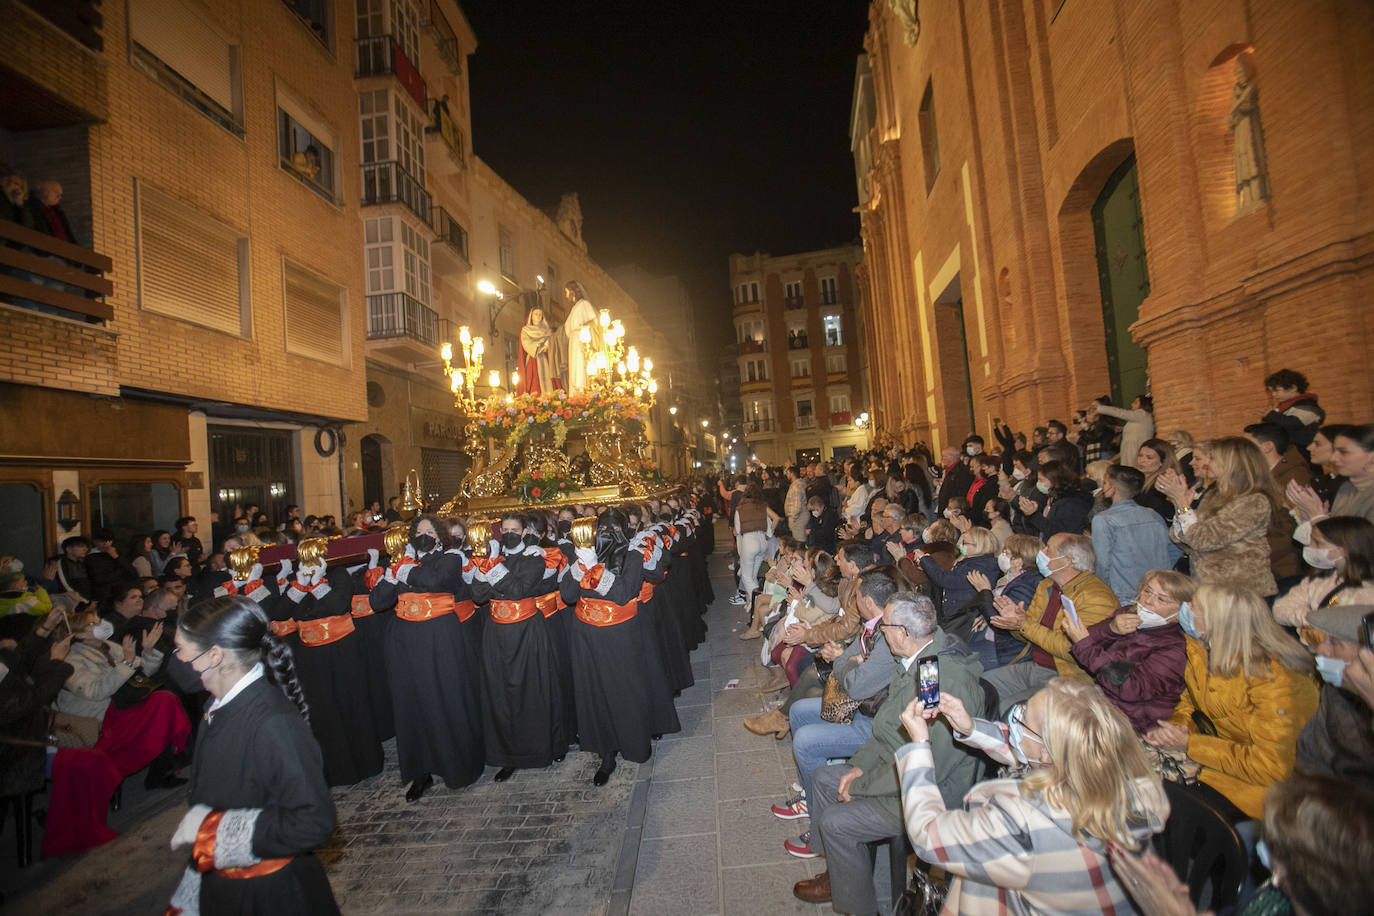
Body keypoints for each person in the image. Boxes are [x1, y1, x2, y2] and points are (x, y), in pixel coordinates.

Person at [894, 679, 1167, 915]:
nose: (1016, 714)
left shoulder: (1022, 822)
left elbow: (928, 835)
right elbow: (1026, 751)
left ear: (1048, 753)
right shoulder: (1120, 782)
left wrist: (919, 745)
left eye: (1024, 716)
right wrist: (970, 728)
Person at [791, 592, 986, 913]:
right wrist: (859, 766)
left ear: (903, 634)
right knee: (824, 779)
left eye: (886, 626)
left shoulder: (939, 682)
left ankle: (859, 907)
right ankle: (838, 873)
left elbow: (930, 764)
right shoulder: (917, 658)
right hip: (898, 763)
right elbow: (886, 730)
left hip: (929, 791)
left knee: (836, 822)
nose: (880, 631)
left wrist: (860, 785)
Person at [166, 596, 339, 915]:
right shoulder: (215, 706)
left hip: (272, 896)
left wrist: (216, 831)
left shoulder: (273, 723)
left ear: (214, 655)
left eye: (181, 651)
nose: (177, 661)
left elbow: (314, 821)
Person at [1144, 584, 1318, 820]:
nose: (1185, 607)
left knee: (1157, 801)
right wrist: (1177, 728)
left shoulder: (1277, 680)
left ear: (1217, 622)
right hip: (1216, 761)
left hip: (1265, 789)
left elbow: (1271, 768)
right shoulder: (1202, 649)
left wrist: (1191, 744)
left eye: (1194, 606)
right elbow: (1189, 703)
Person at [368, 515, 484, 801]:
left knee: (444, 698)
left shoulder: (450, 558)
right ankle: (420, 771)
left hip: (439, 638)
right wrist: (394, 573)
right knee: (411, 703)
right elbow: (378, 600)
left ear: (440, 535)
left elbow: (437, 581)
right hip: (404, 642)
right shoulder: (402, 562)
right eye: (419, 531)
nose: (424, 535)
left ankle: (456, 766)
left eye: (430, 531)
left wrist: (403, 570)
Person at [560, 512, 680, 785]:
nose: (608, 533)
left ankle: (635, 742)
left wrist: (596, 570)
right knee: (595, 693)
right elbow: (568, 594)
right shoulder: (585, 554)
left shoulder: (633, 554)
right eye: (603, 528)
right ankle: (606, 752)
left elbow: (624, 593)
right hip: (586, 635)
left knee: (625, 690)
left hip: (620, 634)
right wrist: (582, 564)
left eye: (615, 528)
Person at [469, 512, 570, 783]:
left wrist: (493, 570)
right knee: (501, 695)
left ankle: (545, 747)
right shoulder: (497, 556)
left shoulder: (533, 558)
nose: (509, 534)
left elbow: (519, 589)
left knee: (533, 690)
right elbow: (477, 595)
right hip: (496, 634)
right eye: (505, 530)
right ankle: (509, 755)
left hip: (526, 632)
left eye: (514, 529)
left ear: (525, 532)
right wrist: (489, 563)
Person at [55, 603, 191, 788]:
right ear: (79, 634)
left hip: (122, 704)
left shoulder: (109, 647)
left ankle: (163, 768)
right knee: (163, 703)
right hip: (102, 715)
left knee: (165, 701)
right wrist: (126, 663)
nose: (100, 624)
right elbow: (96, 692)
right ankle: (163, 768)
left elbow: (145, 671)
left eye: (98, 620)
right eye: (92, 624)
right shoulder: (72, 659)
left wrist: (148, 651)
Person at [984, 533, 1119, 711]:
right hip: (1037, 665)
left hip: (1068, 677)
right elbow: (1028, 632)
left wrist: (1024, 625)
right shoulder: (1047, 586)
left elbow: (1073, 649)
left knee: (1007, 709)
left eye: (1049, 549)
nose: (1042, 552)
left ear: (1067, 560)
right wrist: (1015, 622)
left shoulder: (1096, 597)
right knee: (980, 688)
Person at [1063, 569, 1193, 734]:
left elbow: (1130, 688)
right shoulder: (1128, 613)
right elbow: (1081, 643)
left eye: (1161, 599)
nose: (1148, 601)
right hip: (1102, 702)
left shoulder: (1176, 648)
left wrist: (1086, 646)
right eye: (1147, 591)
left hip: (1135, 723)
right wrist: (1110, 629)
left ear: (1180, 612)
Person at [1160, 436, 1283, 596]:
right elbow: (1184, 539)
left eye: (1213, 458)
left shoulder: (1253, 501)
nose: (1208, 463)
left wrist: (1182, 503)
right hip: (1210, 588)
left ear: (1232, 463)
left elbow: (1203, 539)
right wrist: (1180, 505)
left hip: (1241, 592)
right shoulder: (1214, 495)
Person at [1294, 603, 1374, 788]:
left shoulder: (1355, 708)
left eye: (1335, 643)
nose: (1321, 649)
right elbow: (1309, 751)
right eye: (1325, 639)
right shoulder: (1335, 690)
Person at [1273, 516, 1374, 627]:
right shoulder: (1319, 579)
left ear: (1343, 551)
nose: (1309, 546)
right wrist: (1311, 619)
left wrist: (1315, 619)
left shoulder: (1366, 595)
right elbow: (1280, 608)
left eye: (1317, 543)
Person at [1091, 465, 1171, 604]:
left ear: (1113, 488)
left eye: (1105, 483)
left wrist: (1103, 592)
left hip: (1122, 594)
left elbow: (1102, 564)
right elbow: (1172, 549)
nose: (1103, 487)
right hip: (1156, 592)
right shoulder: (1153, 515)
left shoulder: (1103, 520)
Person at [1260, 368, 1326, 458]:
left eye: (1277, 390)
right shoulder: (1283, 407)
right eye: (1271, 391)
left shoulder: (1308, 406)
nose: (1273, 395)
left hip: (1302, 453)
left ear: (1293, 388)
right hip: (1287, 453)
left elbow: (1293, 423)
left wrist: (1271, 415)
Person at [1019, 459, 1092, 539]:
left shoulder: (1072, 504)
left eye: (1041, 480)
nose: (1038, 483)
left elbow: (1059, 533)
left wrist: (1034, 515)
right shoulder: (1055, 498)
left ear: (1055, 480)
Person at [1092, 395, 1155, 468]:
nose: (1132, 404)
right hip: (1133, 449)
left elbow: (1120, 413)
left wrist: (1100, 408)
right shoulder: (1142, 416)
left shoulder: (1142, 414)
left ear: (1143, 404)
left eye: (1135, 402)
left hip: (1134, 449)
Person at [1134, 437, 1185, 523]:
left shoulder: (1162, 484)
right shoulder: (1137, 479)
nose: (1142, 461)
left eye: (1149, 457)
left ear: (1162, 462)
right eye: (1140, 455)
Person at [562, 280, 599, 392]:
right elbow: (566, 329)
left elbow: (594, 322)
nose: (566, 296)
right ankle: (575, 393)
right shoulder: (574, 308)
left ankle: (582, 391)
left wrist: (584, 332)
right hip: (573, 342)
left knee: (580, 366)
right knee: (574, 368)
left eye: (566, 292)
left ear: (572, 292)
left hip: (581, 340)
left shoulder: (584, 304)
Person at [516, 307, 558, 395]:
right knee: (534, 382)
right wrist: (539, 345)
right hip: (533, 359)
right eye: (536, 314)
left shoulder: (547, 330)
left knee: (549, 379)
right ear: (531, 316)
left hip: (546, 358)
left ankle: (549, 397)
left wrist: (548, 345)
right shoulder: (526, 330)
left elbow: (552, 343)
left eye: (540, 314)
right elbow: (526, 344)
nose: (538, 316)